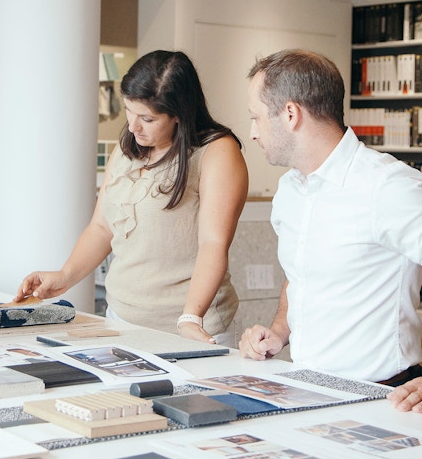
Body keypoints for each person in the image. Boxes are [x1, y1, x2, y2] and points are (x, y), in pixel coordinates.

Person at [238, 49, 422, 414]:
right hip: (304, 390)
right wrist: (280, 331)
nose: (252, 133)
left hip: (382, 398)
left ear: (290, 114)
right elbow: (299, 277)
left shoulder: (389, 186)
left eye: (256, 118)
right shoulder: (290, 190)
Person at [15, 50, 248, 345]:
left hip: (190, 328)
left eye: (147, 118)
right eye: (129, 111)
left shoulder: (216, 152)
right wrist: (65, 276)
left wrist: (191, 316)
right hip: (122, 321)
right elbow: (101, 227)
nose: (134, 126)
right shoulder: (128, 146)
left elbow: (213, 244)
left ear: (179, 115)